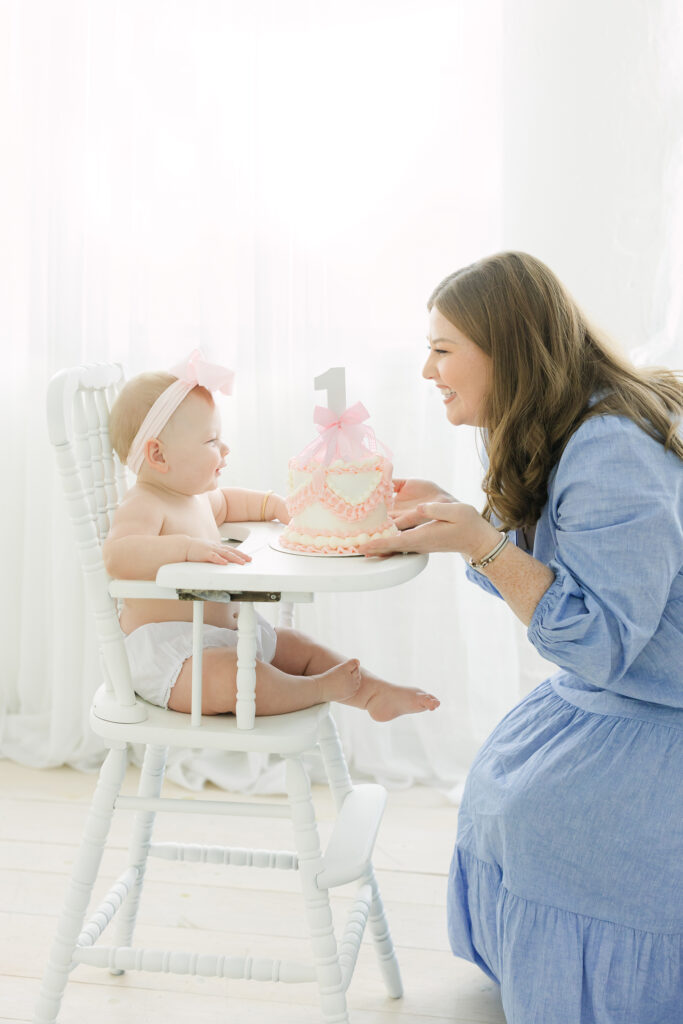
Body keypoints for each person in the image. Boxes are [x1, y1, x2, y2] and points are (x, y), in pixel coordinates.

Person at [358, 252, 683, 1023]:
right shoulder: (560, 423)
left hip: (654, 701)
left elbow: (601, 641)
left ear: (506, 350)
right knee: (507, 788)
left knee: (542, 817)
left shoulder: (609, 449)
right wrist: (461, 516)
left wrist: (480, 542)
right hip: (626, 695)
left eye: (442, 349)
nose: (427, 369)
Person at [103, 351, 440, 722]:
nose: (224, 449)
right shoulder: (145, 504)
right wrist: (185, 549)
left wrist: (274, 506)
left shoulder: (194, 499)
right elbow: (118, 555)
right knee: (234, 678)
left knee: (298, 646)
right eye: (211, 441)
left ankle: (375, 692)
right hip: (171, 657)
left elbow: (229, 504)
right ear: (158, 455)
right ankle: (316, 689)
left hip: (222, 636)